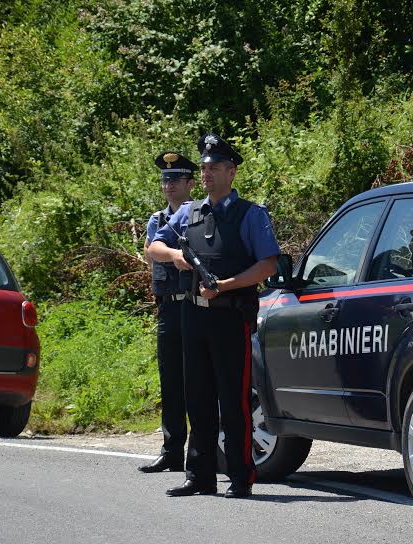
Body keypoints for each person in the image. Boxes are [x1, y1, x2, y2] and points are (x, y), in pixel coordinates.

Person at [148, 133, 280, 499]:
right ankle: (200, 476)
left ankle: (240, 476)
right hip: (193, 316)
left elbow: (268, 264)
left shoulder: (250, 215)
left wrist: (225, 285)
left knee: (233, 401)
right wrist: (176, 257)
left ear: (231, 172)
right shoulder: (188, 212)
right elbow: (155, 246)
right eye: (204, 168)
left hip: (230, 318)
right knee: (197, 398)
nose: (206, 173)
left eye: (214, 167)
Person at [138, 151, 197, 474]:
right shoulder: (157, 221)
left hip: (194, 304)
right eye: (165, 180)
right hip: (168, 307)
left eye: (175, 179)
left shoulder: (201, 214)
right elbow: (152, 255)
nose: (169, 185)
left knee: (198, 381)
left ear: (190, 182)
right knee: (170, 381)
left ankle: (202, 451)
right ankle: (172, 450)